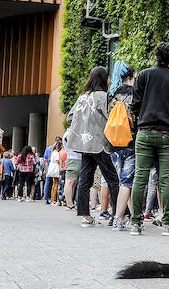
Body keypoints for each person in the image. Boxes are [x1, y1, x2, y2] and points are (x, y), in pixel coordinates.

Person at [129, 42, 169, 236]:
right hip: (168, 135)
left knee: (140, 176)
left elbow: (134, 105)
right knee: (166, 179)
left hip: (145, 133)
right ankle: (167, 223)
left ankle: (136, 223)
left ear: (156, 56)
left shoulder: (143, 75)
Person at [67, 65, 121, 228]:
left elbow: (70, 117)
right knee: (112, 179)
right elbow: (112, 117)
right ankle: (119, 214)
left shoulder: (82, 97)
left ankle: (86, 215)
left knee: (85, 179)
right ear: (103, 79)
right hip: (99, 143)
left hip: (83, 144)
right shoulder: (103, 97)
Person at [108, 60, 137, 231]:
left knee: (123, 182)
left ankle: (130, 216)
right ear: (132, 77)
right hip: (131, 142)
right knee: (126, 183)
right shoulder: (135, 94)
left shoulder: (112, 96)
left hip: (114, 143)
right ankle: (118, 218)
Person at [45, 139, 62, 204]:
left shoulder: (52, 152)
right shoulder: (56, 153)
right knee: (56, 185)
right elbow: (58, 161)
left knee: (53, 185)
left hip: (52, 168)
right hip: (56, 169)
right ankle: (54, 199)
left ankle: (52, 199)